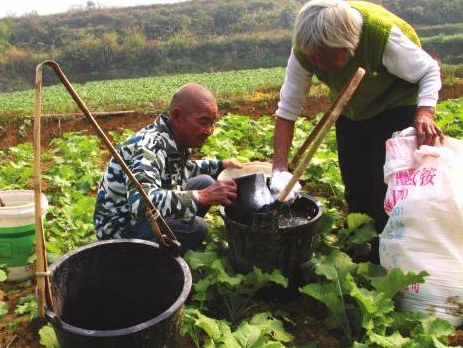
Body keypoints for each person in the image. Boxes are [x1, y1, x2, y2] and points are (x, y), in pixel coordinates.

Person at [270, 0, 444, 262]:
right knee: (355, 181)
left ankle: (387, 255)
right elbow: (287, 109)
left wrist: (425, 112)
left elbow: (429, 70)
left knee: (383, 181)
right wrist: (279, 170)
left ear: (349, 42)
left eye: (327, 57)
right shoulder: (305, 49)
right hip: (351, 106)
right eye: (315, 57)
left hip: (396, 103)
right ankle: (359, 246)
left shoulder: (381, 36)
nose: (319, 63)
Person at [94, 83, 241, 252]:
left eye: (212, 122)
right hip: (120, 230)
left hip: (144, 216)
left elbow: (184, 168)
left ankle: (174, 237)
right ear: (177, 116)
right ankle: (155, 260)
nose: (210, 130)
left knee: (206, 181)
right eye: (203, 122)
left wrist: (221, 165)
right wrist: (202, 196)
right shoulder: (149, 147)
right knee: (197, 227)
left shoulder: (172, 138)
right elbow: (142, 203)